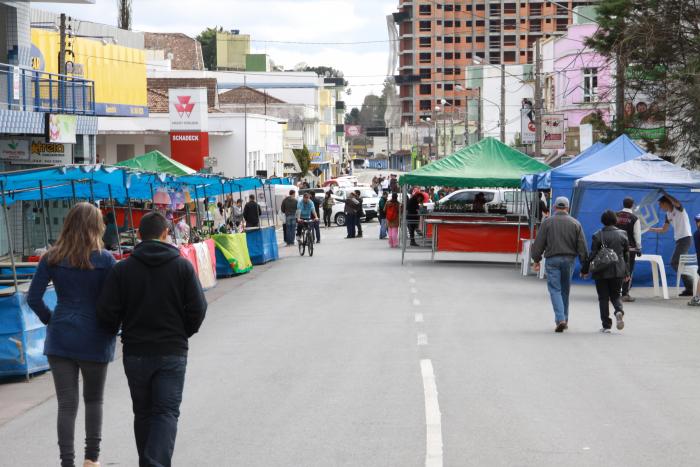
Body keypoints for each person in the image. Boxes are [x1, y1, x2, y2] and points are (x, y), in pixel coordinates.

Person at [97, 212, 207, 467]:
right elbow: (198, 309)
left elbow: (106, 312)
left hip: (136, 352)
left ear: (138, 235)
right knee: (166, 412)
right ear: (166, 234)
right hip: (172, 351)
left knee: (144, 413)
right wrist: (182, 332)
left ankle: (148, 462)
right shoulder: (181, 266)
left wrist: (119, 329)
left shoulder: (123, 269)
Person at [27, 202, 117, 467]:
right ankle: (91, 459)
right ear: (96, 226)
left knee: (66, 404)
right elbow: (113, 302)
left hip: (60, 337)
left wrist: (51, 319)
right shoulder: (105, 260)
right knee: (94, 400)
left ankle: (67, 462)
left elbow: (33, 298)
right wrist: (113, 328)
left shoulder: (51, 257)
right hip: (95, 336)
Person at [531, 196, 589, 333]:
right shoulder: (575, 223)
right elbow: (582, 246)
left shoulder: (547, 222)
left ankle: (560, 318)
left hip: (552, 260)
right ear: (568, 208)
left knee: (555, 290)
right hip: (569, 260)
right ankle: (564, 319)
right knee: (565, 290)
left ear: (554, 207)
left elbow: (539, 243)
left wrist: (536, 260)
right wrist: (585, 266)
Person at [583, 210, 630, 333]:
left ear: (603, 221)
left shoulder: (598, 235)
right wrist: (627, 272)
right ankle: (619, 311)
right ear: (615, 220)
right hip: (618, 270)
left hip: (601, 271)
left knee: (603, 298)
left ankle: (606, 325)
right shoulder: (623, 234)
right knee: (616, 294)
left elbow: (592, 254)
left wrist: (585, 269)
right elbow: (626, 255)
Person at [649, 192, 694, 296]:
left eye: (661, 205)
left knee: (675, 262)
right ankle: (690, 288)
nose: (660, 207)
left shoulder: (678, 209)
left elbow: (676, 202)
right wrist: (651, 229)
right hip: (679, 240)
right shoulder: (667, 215)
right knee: (680, 263)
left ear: (666, 203)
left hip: (685, 238)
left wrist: (665, 193)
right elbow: (664, 229)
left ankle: (691, 285)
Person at [616, 197, 642, 302]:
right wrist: (639, 248)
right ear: (632, 205)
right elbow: (637, 234)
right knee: (628, 270)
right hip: (629, 248)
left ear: (623, 204)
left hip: (615, 248)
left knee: (615, 270)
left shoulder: (615, 215)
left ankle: (614, 292)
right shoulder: (635, 218)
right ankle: (625, 293)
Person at [688, 214, 700, 306]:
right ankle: (697, 298)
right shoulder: (697, 233)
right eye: (698, 221)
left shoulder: (697, 233)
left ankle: (697, 297)